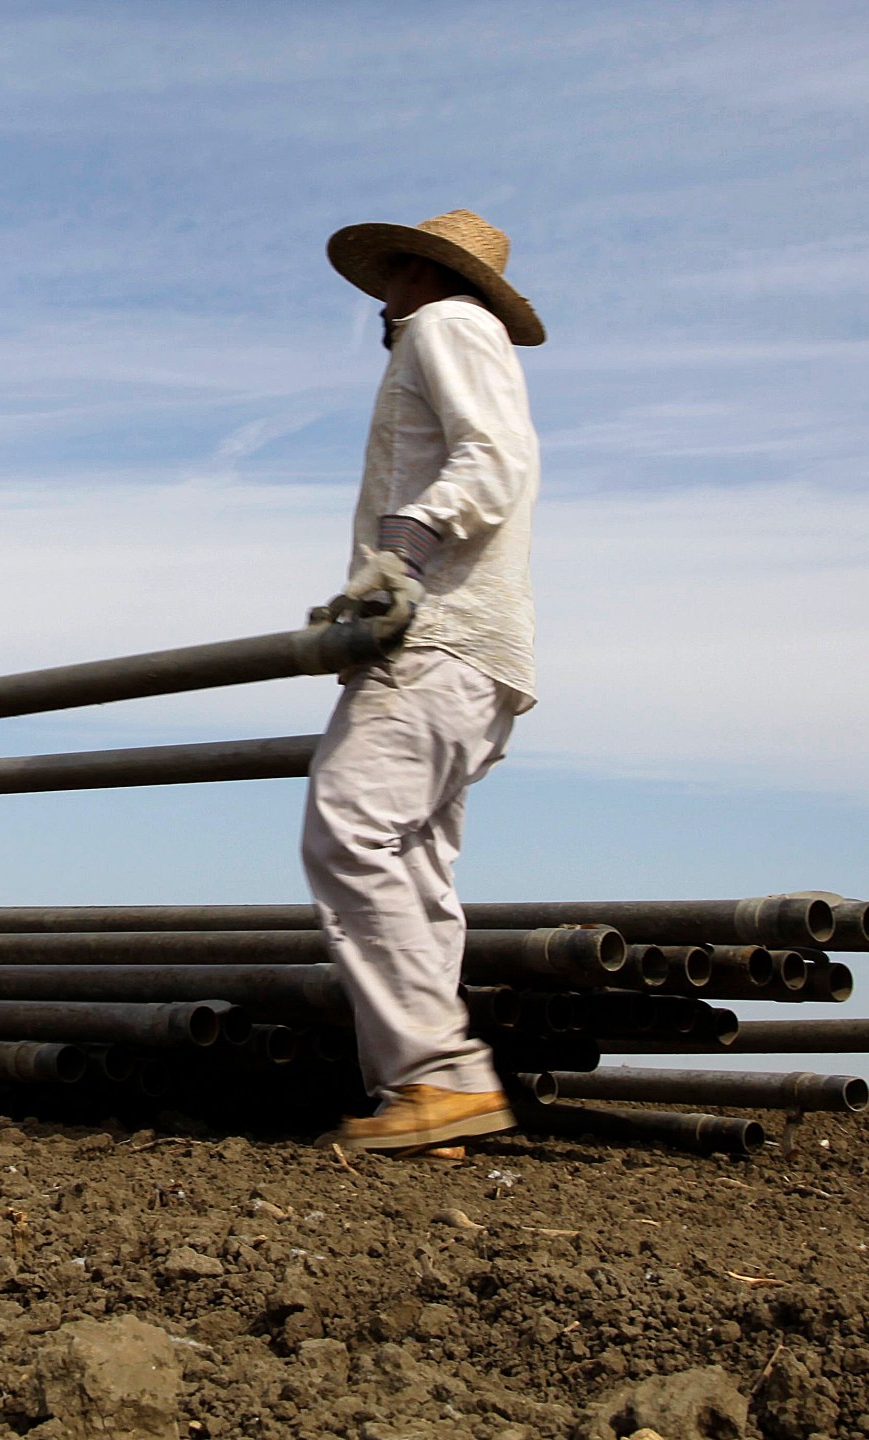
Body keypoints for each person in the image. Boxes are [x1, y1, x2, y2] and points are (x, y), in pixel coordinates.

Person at [302, 210, 543, 1153]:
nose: (382, 301)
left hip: (436, 637)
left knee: (349, 825)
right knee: (414, 865)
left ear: (416, 274)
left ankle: (438, 1077)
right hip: (475, 650)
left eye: (390, 281)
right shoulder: (456, 338)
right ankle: (423, 1102)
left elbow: (495, 457)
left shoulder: (450, 326)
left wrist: (404, 546)